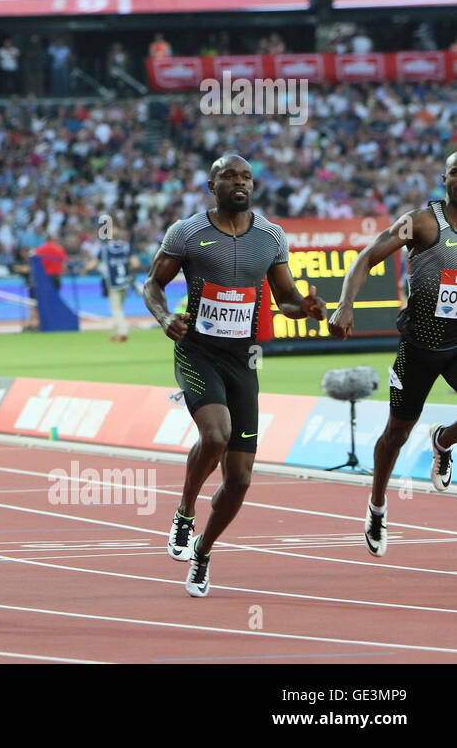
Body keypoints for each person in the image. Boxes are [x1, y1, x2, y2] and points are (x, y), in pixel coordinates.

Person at [143, 154, 326, 596]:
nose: (239, 181)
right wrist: (165, 318)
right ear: (212, 185)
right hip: (197, 351)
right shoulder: (186, 233)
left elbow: (284, 297)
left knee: (241, 479)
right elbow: (152, 285)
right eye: (229, 175)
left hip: (243, 359)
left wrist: (303, 309)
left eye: (246, 175)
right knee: (216, 433)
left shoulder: (270, 237)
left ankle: (203, 552)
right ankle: (185, 512)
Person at [329, 153, 457, 556]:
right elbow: (367, 258)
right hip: (419, 347)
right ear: (445, 178)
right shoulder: (422, 222)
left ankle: (443, 441)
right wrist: (345, 304)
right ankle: (377, 505)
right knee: (396, 433)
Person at [98, 223, 137, 341]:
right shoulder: (126, 247)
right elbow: (135, 263)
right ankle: (115, 332)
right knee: (120, 308)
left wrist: (84, 270)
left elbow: (95, 262)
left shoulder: (105, 249)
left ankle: (122, 332)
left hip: (112, 283)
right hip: (125, 282)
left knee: (116, 309)